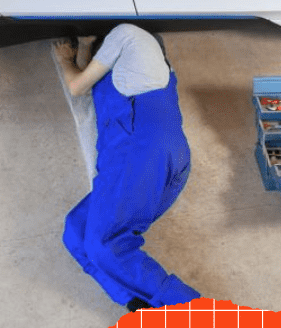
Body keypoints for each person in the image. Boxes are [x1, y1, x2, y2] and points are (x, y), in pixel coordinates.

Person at [54, 24, 200, 312]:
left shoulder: (129, 35)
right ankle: (139, 306)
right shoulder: (129, 74)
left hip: (140, 154)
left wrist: (66, 60)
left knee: (105, 243)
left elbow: (76, 85)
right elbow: (88, 80)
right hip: (151, 164)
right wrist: (82, 54)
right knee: (76, 230)